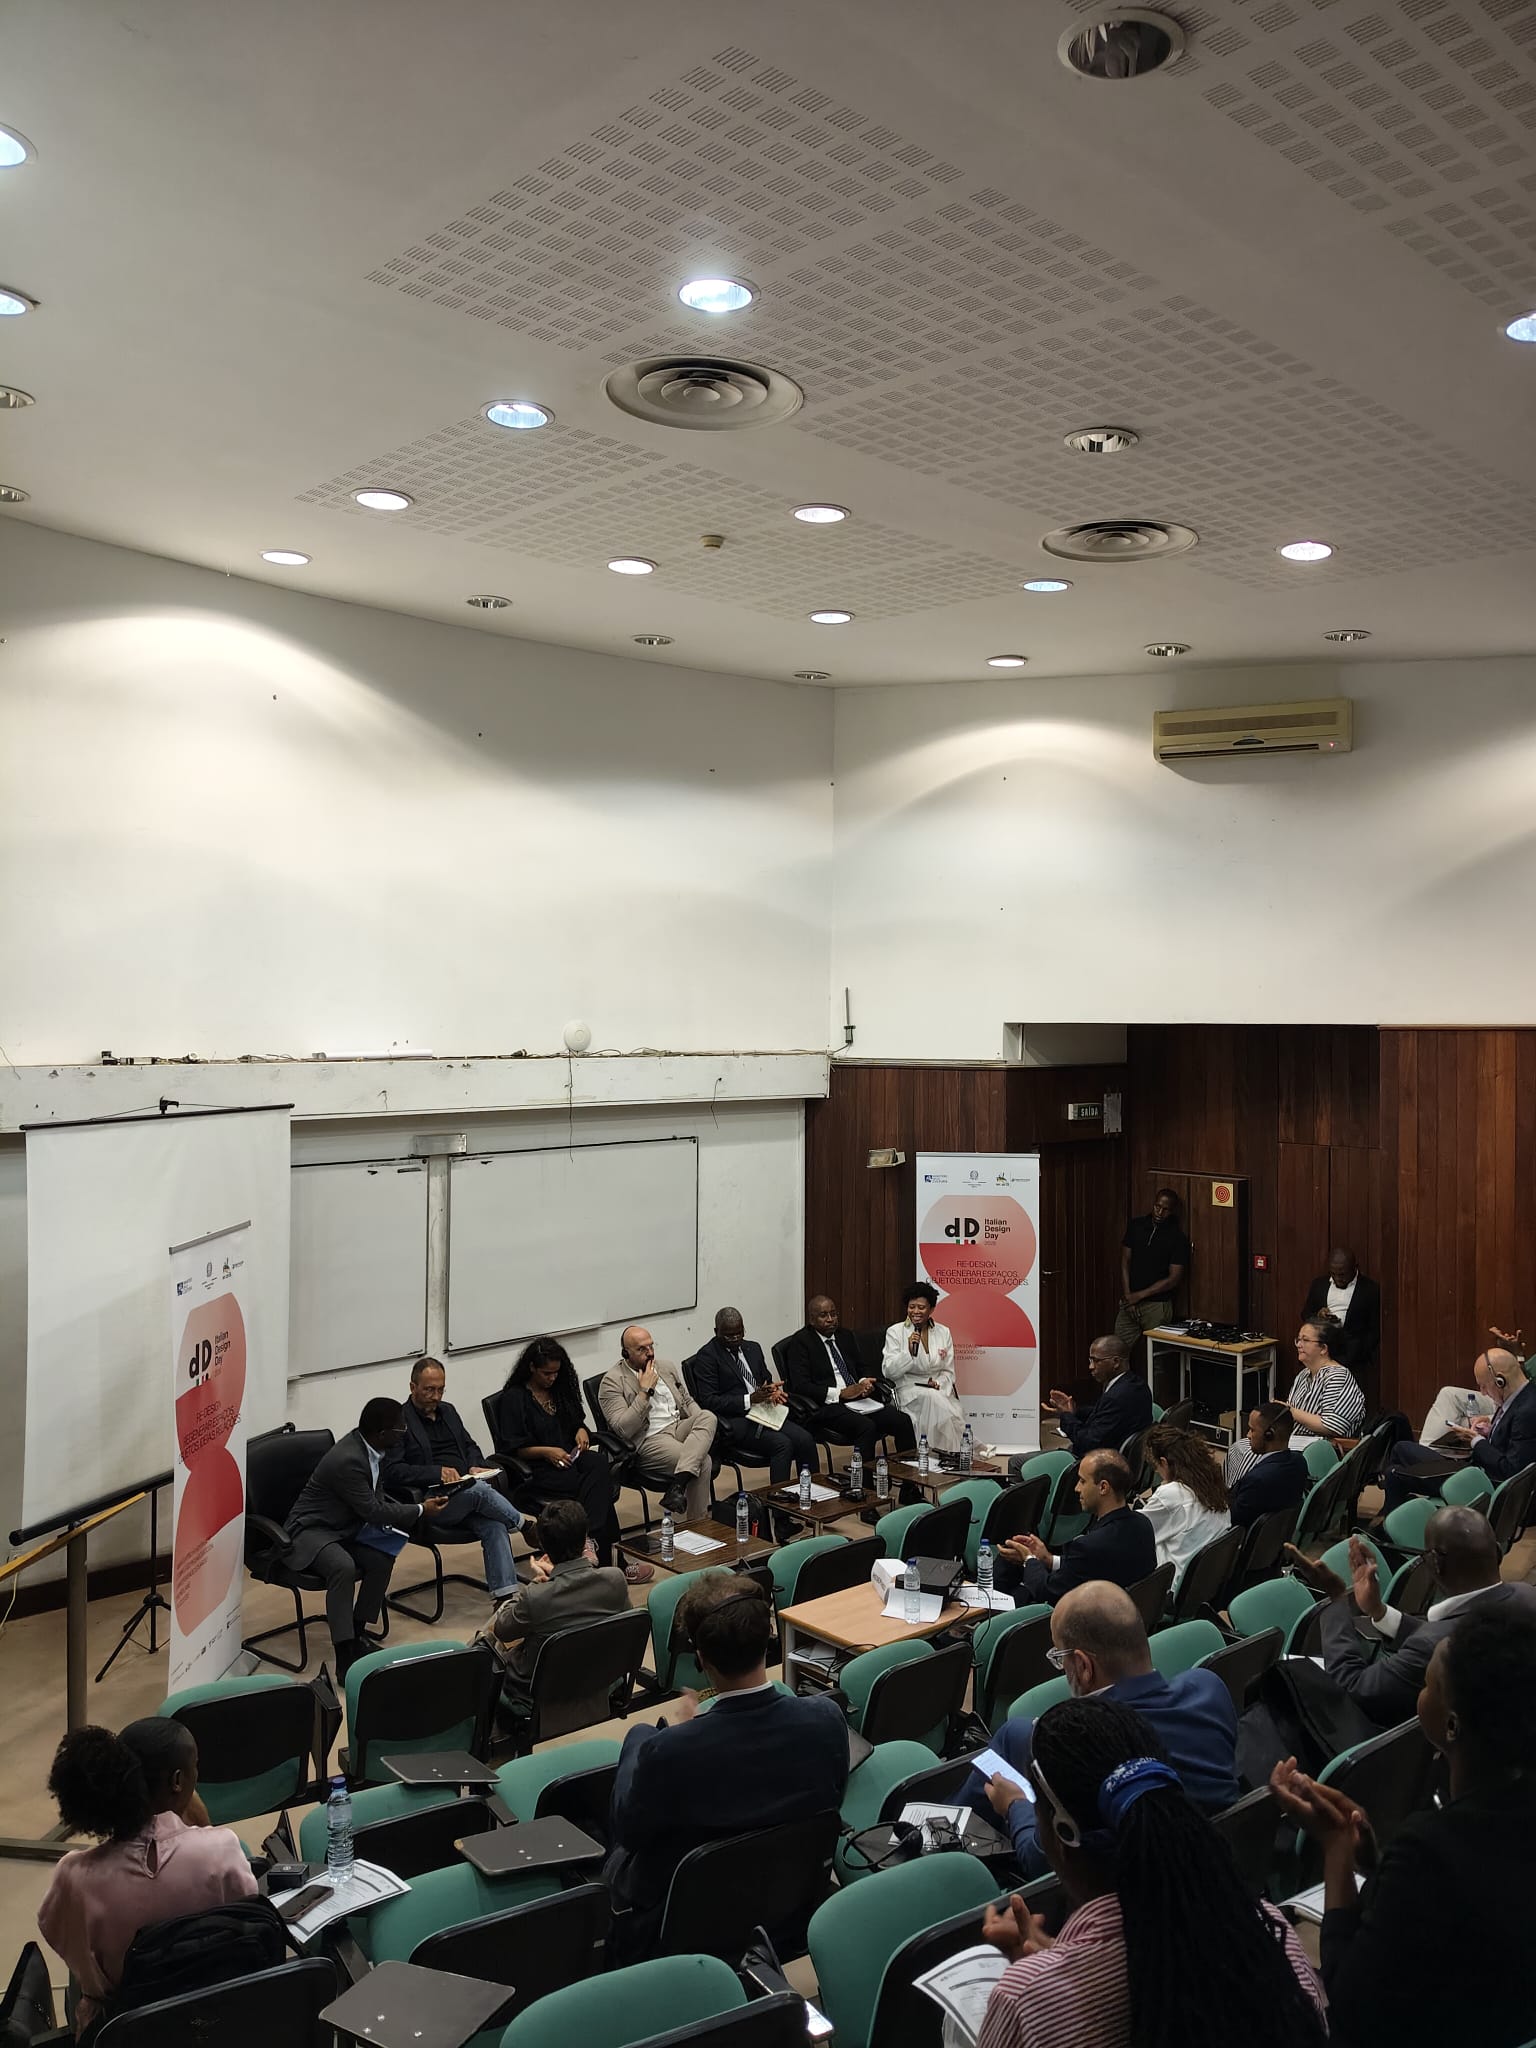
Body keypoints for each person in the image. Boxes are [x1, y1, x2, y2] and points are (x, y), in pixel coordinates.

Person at [976, 1698, 1326, 2048]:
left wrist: (1048, 1975)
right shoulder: (1268, 1934)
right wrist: (1059, 1956)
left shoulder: (1026, 2004)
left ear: (1061, 1837)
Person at [1271, 1602, 1536, 2048]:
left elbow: (1349, 2007)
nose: (1421, 1694)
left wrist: (1336, 1847)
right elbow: (1459, 1912)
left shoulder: (1430, 1851)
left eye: (1428, 1684)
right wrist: (1378, 1868)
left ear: (1451, 1726)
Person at [604, 1574, 849, 1964]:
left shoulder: (667, 1751)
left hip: (680, 1923)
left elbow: (629, 1832)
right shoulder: (826, 1718)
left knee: (637, 1735)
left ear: (701, 1659)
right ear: (768, 1640)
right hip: (786, 1905)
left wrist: (656, 1739)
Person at [969, 1582, 1239, 1876]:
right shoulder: (1208, 1687)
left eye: (1060, 1658)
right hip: (1222, 1862)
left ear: (1084, 1666)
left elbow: (1038, 1859)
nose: (1062, 1667)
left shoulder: (1082, 1750)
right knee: (1015, 1733)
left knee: (1010, 1739)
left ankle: (939, 1841)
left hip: (1137, 1880)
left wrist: (1015, 1805)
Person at [37, 1719, 257, 2035]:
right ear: (178, 1780)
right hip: (215, 2022)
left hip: (124, 2030)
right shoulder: (221, 1849)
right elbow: (246, 1921)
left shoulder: (74, 1877)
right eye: (195, 1766)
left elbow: (75, 1953)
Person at [1283, 1507, 1536, 1730]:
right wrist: (1379, 1611)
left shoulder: (1433, 1647)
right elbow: (1450, 1629)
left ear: (1435, 1564)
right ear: (1497, 1552)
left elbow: (1353, 1688)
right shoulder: (1527, 1596)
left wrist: (1337, 1599)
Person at [281, 1396, 449, 1673]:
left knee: (382, 1558)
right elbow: (372, 1510)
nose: (404, 1432)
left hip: (344, 1525)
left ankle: (357, 1632)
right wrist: (420, 1509)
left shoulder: (374, 1449)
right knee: (342, 1567)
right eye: (400, 1428)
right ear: (382, 1433)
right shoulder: (348, 1459)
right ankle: (344, 1654)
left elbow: (376, 1496)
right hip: (311, 1530)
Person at [495, 1337, 650, 1584]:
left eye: (556, 1373)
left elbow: (575, 1421)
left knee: (598, 1465)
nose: (552, 1378)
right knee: (597, 1490)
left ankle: (590, 1541)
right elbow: (513, 1449)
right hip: (536, 1469)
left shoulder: (560, 1390)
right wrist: (547, 1452)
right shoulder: (514, 1398)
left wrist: (581, 1430)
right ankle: (613, 1562)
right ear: (532, 1367)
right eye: (546, 1373)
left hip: (568, 1459)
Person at [384, 1355, 531, 1602]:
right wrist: (436, 1472)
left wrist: (474, 1464)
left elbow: (469, 1444)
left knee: (494, 1525)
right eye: (429, 1390)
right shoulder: (398, 1422)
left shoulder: (448, 1411)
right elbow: (392, 1471)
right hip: (433, 1500)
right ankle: (526, 1526)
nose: (436, 1396)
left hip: (465, 1489)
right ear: (412, 1387)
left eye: (440, 1389)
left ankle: (505, 1599)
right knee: (479, 1491)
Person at [480, 1498, 629, 1689]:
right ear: (585, 1538)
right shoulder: (615, 1579)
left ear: (542, 1545)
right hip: (600, 1682)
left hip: (539, 1691)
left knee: (482, 1651)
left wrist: (535, 1584)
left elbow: (502, 1630)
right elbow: (625, 1626)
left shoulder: (535, 1596)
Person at [994, 1449, 1156, 1607]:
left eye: (1083, 1481)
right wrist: (1048, 1559)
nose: (1077, 1488)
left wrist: (1029, 1559)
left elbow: (1046, 1592)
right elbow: (1090, 1565)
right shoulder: (1143, 1524)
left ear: (1103, 1487)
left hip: (1083, 1617)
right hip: (1122, 1610)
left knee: (1006, 1577)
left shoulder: (1089, 1545)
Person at [1383, 1346, 1536, 1508]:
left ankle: (1395, 1518)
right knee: (1401, 1448)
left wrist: (1476, 1441)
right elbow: (1512, 1442)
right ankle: (1399, 1510)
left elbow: (1510, 1471)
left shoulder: (1526, 1412)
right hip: (1474, 1472)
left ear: (1500, 1381)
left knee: (1393, 1474)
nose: (1483, 1393)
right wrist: (1490, 1431)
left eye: (1484, 1386)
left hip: (1480, 1485)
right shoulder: (1521, 1397)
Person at [688, 1306, 819, 1485]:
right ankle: (778, 1500)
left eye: (739, 1333)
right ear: (716, 1332)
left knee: (806, 1440)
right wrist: (749, 1399)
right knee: (783, 1444)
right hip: (737, 1420)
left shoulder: (753, 1348)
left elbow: (765, 1380)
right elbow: (709, 1401)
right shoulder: (707, 1357)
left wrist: (772, 1391)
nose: (736, 1339)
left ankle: (812, 1490)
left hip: (765, 1411)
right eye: (729, 1336)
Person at [599, 1325, 717, 1522]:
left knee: (707, 1416)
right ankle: (696, 1524)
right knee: (703, 1462)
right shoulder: (612, 1382)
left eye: (651, 1346)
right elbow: (623, 1430)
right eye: (642, 1349)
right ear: (626, 1353)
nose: (650, 1353)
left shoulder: (666, 1367)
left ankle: (677, 1488)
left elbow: (687, 1401)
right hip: (650, 1439)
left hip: (678, 1426)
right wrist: (645, 1392)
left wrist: (698, 1428)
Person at [778, 1295, 917, 1460]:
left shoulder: (845, 1335)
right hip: (827, 1405)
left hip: (859, 1400)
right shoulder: (801, 1342)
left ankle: (909, 1473)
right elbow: (800, 1386)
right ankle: (864, 1476)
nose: (830, 1319)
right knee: (866, 1427)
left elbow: (862, 1366)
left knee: (902, 1421)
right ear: (812, 1320)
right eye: (823, 1315)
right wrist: (840, 1393)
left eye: (833, 1314)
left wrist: (863, 1382)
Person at [1136, 1424, 1230, 1586]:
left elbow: (1135, 1532)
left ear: (1164, 1462)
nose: (1157, 1472)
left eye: (1156, 1466)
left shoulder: (1170, 1494)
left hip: (1171, 1585)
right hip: (1206, 1580)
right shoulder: (1212, 1483)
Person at [881, 1281, 966, 1452]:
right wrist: (908, 1352)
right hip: (908, 1390)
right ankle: (947, 1455)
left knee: (939, 1403)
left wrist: (939, 1384)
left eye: (921, 1307)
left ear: (931, 1309)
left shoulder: (943, 1332)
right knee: (940, 1406)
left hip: (938, 1390)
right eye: (911, 1307)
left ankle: (942, 1456)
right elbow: (889, 1372)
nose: (915, 1312)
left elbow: (948, 1371)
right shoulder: (895, 1332)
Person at [1042, 1335, 1153, 1460]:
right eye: (1090, 1360)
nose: (1091, 1367)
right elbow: (1102, 1413)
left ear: (1116, 1362)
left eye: (1096, 1361)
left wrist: (1067, 1416)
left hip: (1098, 1462)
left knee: (1023, 1462)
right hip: (1118, 1455)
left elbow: (1087, 1443)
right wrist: (1074, 1411)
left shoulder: (1116, 1397)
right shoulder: (1137, 1384)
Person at [1115, 1189, 1191, 1357]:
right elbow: (1125, 1261)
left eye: (1165, 1209)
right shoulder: (1136, 1225)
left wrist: (1139, 1295)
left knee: (1157, 1358)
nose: (1159, 1212)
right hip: (1130, 1302)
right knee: (1116, 1352)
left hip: (1157, 1305)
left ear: (1172, 1211)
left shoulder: (1177, 1238)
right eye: (1157, 1206)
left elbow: (1173, 1279)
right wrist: (1129, 1296)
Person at [1278, 1315, 1364, 1445]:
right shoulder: (1303, 1374)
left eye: (1305, 1340)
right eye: (1298, 1340)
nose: (1299, 1345)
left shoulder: (1338, 1376)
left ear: (1323, 1348)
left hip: (1322, 1449)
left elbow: (1333, 1426)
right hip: (1295, 1442)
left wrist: (1290, 1411)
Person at [1226, 1403, 1309, 1527]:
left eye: (1252, 1430)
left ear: (1269, 1434)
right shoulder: (1299, 1462)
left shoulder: (1257, 1480)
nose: (1248, 1435)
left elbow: (1230, 1520)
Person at [1301, 1247, 1380, 1375]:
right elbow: (1305, 1314)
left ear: (1355, 1268)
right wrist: (1318, 1317)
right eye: (1333, 1274)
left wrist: (1361, 1351)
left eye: (1342, 1274)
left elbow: (1375, 1328)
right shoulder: (1319, 1285)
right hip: (1321, 1352)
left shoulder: (1370, 1289)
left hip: (1353, 1357)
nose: (1338, 1278)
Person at [1415, 1346, 1503, 1445]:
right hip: (1498, 1400)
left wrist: (1491, 1419)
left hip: (1510, 1399)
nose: (1482, 1392)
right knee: (1449, 1394)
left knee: (1461, 1423)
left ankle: (1426, 1452)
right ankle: (1427, 1450)